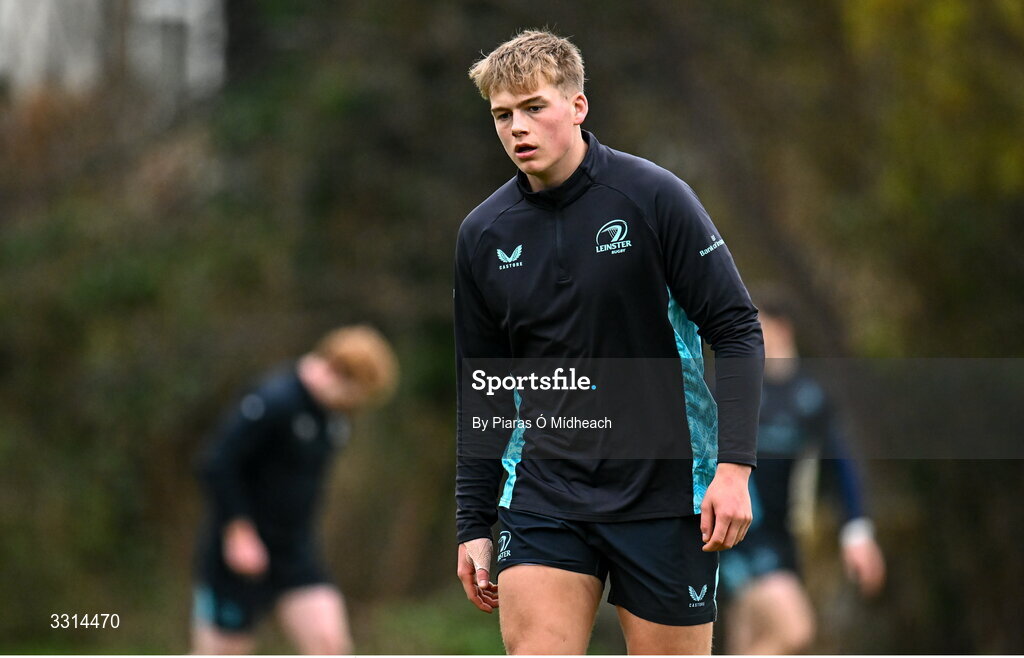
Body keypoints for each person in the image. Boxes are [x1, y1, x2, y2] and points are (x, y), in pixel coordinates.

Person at [453, 30, 764, 654]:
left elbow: (736, 329)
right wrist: (472, 522)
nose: (518, 127)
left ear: (577, 106)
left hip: (667, 490)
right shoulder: (483, 234)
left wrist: (734, 468)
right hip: (543, 491)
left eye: (533, 107)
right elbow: (482, 386)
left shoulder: (653, 197)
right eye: (502, 114)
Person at [191, 325, 398, 654]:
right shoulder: (274, 400)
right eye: (355, 394)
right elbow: (217, 464)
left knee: (330, 644)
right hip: (238, 555)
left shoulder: (334, 419)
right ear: (337, 371)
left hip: (294, 553)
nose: (355, 406)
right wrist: (238, 531)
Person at [720, 293, 886, 654]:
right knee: (795, 630)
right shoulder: (733, 392)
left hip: (786, 541)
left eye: (754, 325)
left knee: (748, 640)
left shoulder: (812, 397)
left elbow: (841, 467)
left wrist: (857, 531)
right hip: (741, 537)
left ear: (782, 328)